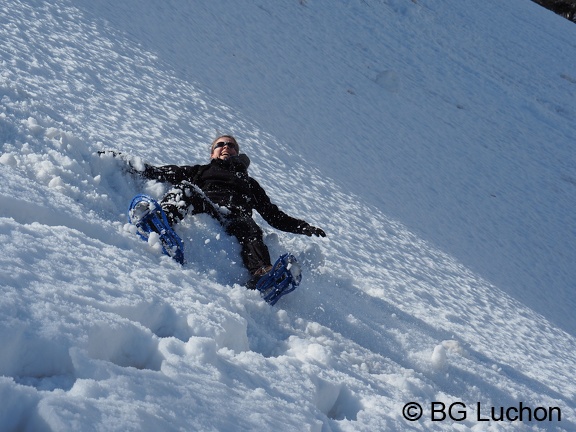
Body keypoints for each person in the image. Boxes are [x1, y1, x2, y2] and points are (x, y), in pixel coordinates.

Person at [111, 135, 325, 287]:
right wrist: (126, 162)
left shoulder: (249, 183)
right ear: (212, 153)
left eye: (231, 145)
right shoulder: (200, 171)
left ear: (237, 153)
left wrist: (303, 227)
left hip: (237, 216)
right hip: (210, 207)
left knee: (251, 229)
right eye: (220, 144)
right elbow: (162, 172)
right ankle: (161, 224)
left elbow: (272, 215)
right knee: (185, 190)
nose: (226, 147)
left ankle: (262, 272)